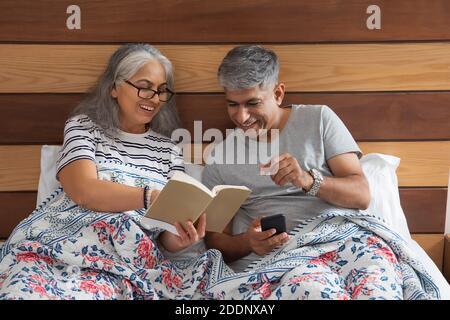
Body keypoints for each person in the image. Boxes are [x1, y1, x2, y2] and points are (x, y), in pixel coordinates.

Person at [202, 45, 370, 272]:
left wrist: (308, 180)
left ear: (278, 94)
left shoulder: (319, 119)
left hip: (342, 245)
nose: (241, 117)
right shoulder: (220, 157)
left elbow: (362, 195)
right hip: (281, 264)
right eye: (233, 104)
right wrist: (247, 243)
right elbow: (214, 239)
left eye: (252, 103)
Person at [57, 43, 206, 253]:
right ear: (114, 88)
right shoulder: (83, 127)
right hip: (74, 244)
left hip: (136, 256)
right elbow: (83, 191)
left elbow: (164, 237)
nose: (154, 98)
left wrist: (179, 238)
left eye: (161, 91)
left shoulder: (169, 150)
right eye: (144, 87)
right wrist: (148, 197)